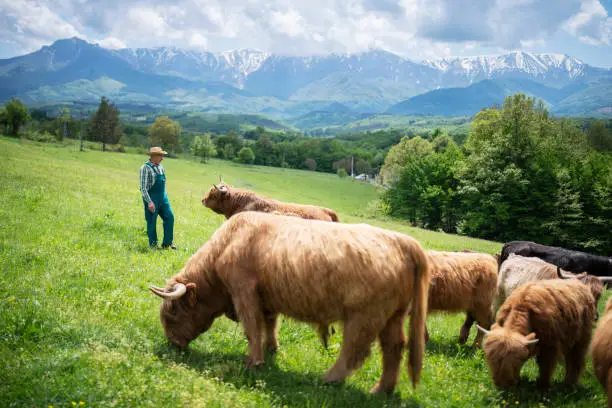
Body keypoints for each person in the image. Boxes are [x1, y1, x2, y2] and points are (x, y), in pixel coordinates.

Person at [139, 147, 176, 249]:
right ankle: (153, 245)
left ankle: (167, 243)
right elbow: (143, 188)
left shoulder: (161, 167)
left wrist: (164, 195)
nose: (162, 158)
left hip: (163, 198)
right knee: (151, 221)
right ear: (154, 156)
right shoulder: (145, 168)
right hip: (151, 198)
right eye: (161, 156)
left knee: (170, 217)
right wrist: (149, 202)